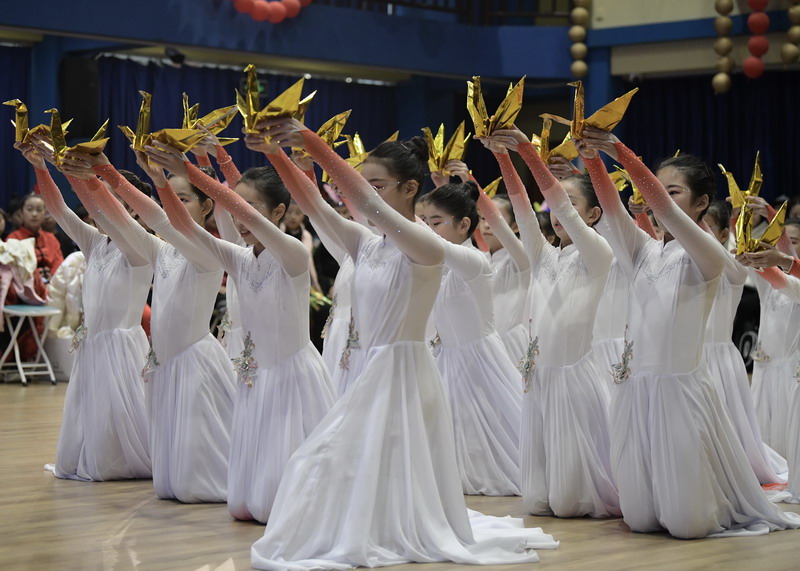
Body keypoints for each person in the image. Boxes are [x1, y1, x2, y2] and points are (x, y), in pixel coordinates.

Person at [247, 117, 557, 569]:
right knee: (357, 462)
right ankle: (378, 525)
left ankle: (390, 528)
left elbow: (364, 202)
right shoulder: (367, 244)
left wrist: (312, 143)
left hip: (404, 371)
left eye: (377, 184)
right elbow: (314, 204)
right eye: (366, 183)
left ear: (410, 188)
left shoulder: (426, 244)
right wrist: (275, 154)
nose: (361, 193)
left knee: (329, 458)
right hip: (373, 369)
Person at [577, 125, 800, 538]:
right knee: (641, 521)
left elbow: (663, 211)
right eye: (656, 189)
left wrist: (621, 152)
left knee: (687, 526)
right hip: (636, 389)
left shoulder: (708, 254)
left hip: (679, 390)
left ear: (701, 203)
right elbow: (611, 208)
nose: (654, 197)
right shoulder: (644, 251)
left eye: (672, 191)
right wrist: (591, 156)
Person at [143, 140, 334, 523]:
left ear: (278, 211)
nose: (241, 217)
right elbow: (179, 225)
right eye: (237, 206)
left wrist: (194, 172)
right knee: (247, 502)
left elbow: (244, 216)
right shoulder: (238, 257)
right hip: (255, 377)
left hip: (291, 375)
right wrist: (159, 180)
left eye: (252, 208)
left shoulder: (294, 254)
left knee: (287, 493)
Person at [481, 128, 619, 519]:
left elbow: (559, 207)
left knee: (569, 504)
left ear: (592, 215)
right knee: (542, 502)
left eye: (570, 206)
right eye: (554, 207)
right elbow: (522, 209)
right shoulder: (543, 256)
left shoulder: (597, 254)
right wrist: (502, 156)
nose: (558, 213)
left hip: (573, 374)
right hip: (539, 375)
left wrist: (527, 151)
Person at [17, 139, 152, 482]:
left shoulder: (138, 247)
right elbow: (59, 210)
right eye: (96, 202)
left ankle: (121, 460)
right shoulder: (95, 243)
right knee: (91, 414)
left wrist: (71, 168)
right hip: (93, 343)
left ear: (133, 210)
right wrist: (41, 166)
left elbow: (112, 213)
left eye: (110, 201)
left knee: (120, 417)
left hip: (122, 347)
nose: (99, 208)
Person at [423, 180, 523, 496]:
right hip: (447, 358)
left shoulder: (475, 260)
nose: (427, 230)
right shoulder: (438, 266)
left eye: (435, 222)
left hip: (479, 360)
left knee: (489, 434)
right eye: (425, 222)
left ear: (464, 225)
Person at [701, 200, 787, 484]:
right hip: (690, 355)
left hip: (718, 357)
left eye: (703, 226)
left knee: (725, 421)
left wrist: (759, 216)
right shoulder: (685, 261)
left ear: (724, 234)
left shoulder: (734, 267)